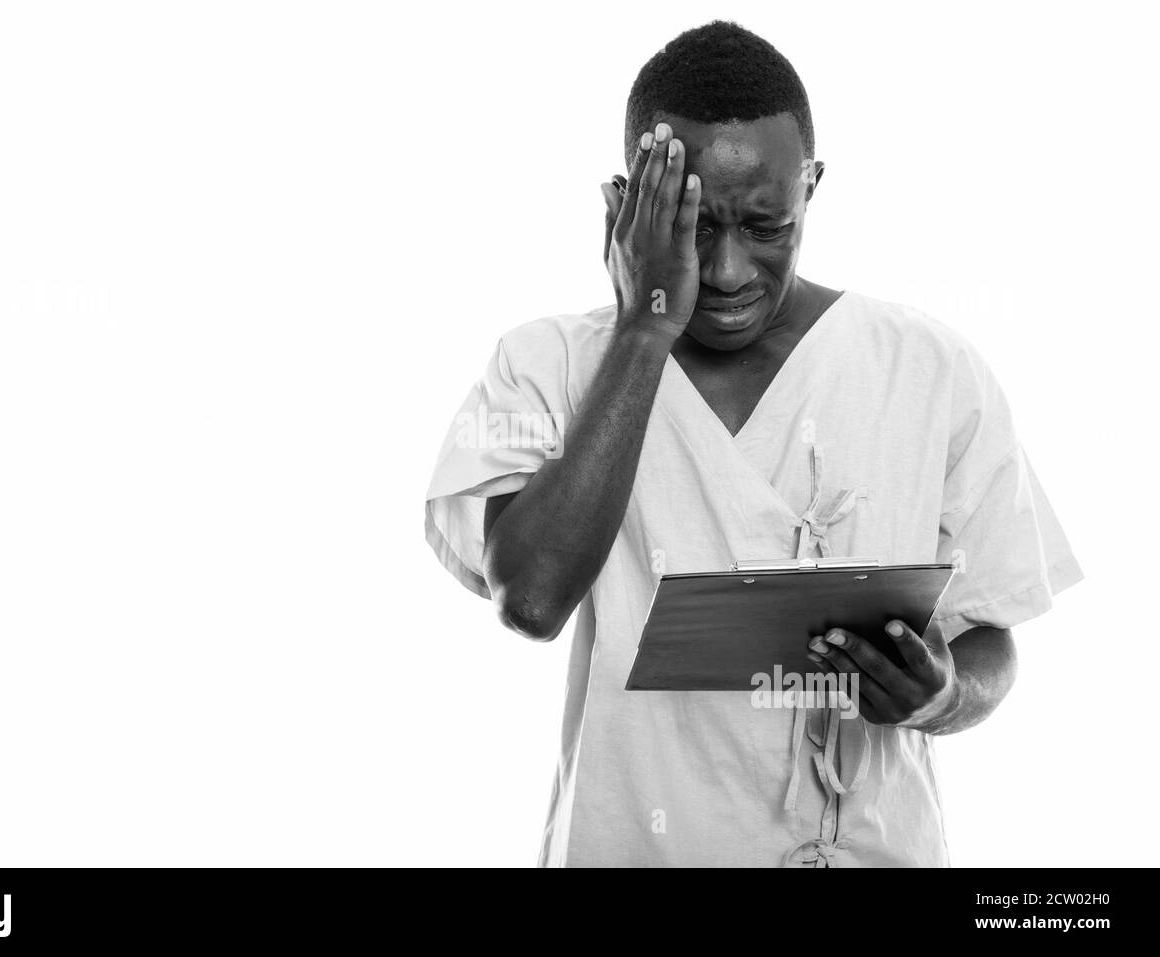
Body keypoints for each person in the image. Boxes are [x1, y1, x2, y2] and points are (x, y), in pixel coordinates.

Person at [424, 20, 1082, 867]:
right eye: (695, 225)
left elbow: (993, 636)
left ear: (812, 188)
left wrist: (943, 693)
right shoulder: (545, 365)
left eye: (765, 225)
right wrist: (643, 331)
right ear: (629, 207)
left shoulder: (930, 368)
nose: (729, 271)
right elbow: (532, 597)